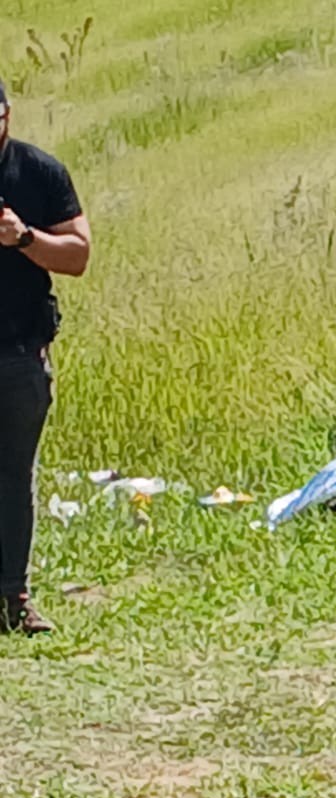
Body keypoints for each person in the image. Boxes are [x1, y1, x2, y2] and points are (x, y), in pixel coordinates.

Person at [0, 77, 90, 635]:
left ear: (6, 115)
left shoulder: (38, 172)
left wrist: (24, 237)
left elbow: (78, 256)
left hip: (19, 354)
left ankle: (15, 598)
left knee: (13, 477)